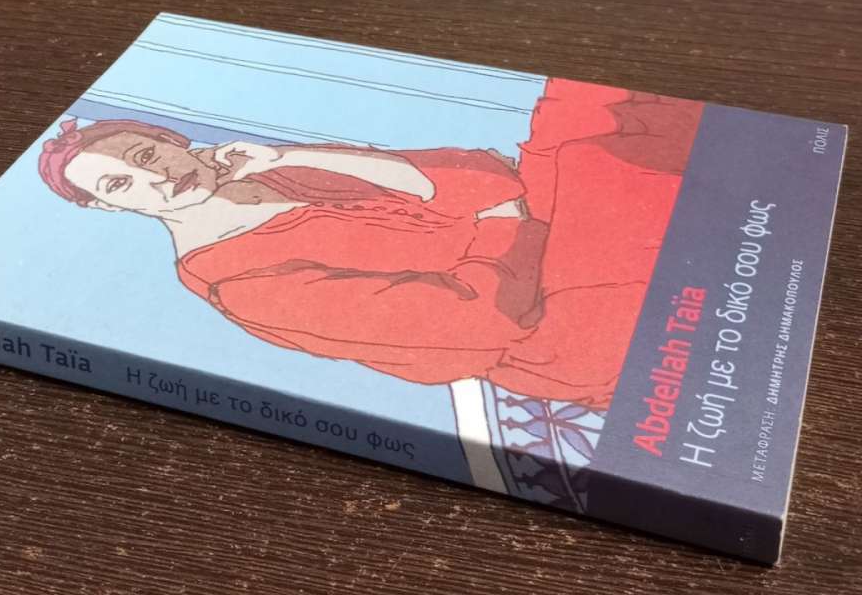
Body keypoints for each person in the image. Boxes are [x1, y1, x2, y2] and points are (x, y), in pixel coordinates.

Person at [39, 78, 702, 492]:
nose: (158, 177)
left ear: (172, 139)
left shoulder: (278, 174)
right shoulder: (238, 282)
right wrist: (503, 218)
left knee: (584, 104)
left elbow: (476, 170)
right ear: (107, 206)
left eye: (147, 153)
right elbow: (479, 323)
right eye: (122, 182)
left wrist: (291, 155)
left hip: (534, 226)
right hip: (555, 321)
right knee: (609, 161)